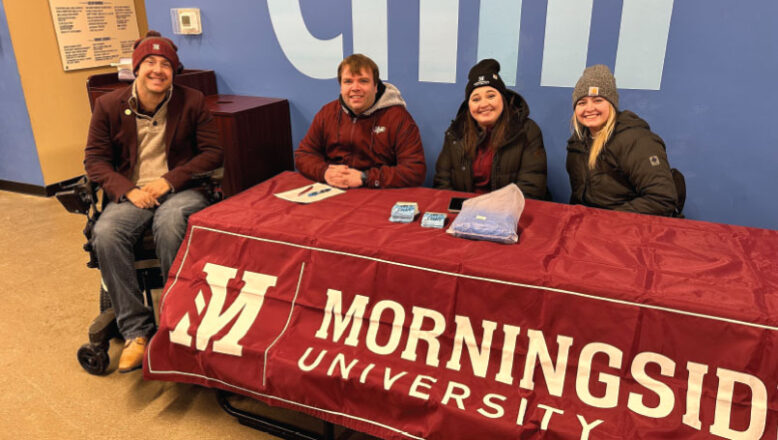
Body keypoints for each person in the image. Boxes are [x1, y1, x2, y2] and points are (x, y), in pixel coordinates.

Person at [84, 30, 223, 372]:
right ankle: (136, 331)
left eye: (166, 64)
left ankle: (176, 323)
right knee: (106, 233)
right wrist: (127, 190)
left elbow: (213, 153)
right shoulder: (108, 105)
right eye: (150, 62)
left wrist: (169, 181)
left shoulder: (191, 101)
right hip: (131, 193)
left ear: (174, 71)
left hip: (178, 191)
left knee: (171, 221)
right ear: (137, 68)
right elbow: (95, 161)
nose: (158, 70)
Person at [295, 54, 426, 189]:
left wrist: (365, 177)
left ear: (376, 86)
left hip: (378, 192)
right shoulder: (327, 112)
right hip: (333, 190)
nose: (355, 88)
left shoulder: (398, 117)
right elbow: (303, 155)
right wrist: (324, 172)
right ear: (341, 87)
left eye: (363, 81)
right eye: (348, 82)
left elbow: (415, 171)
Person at [566, 64, 678, 216]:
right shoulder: (577, 142)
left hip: (626, 228)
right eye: (582, 102)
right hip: (591, 226)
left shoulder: (637, 140)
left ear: (612, 104)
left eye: (598, 100)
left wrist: (607, 221)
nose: (589, 108)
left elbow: (662, 198)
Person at [433, 59, 548, 198]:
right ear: (468, 105)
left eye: (491, 96)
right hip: (465, 211)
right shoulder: (455, 134)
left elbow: (531, 188)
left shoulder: (528, 131)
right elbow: (442, 182)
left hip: (510, 213)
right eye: (476, 99)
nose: (483, 104)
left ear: (503, 99)